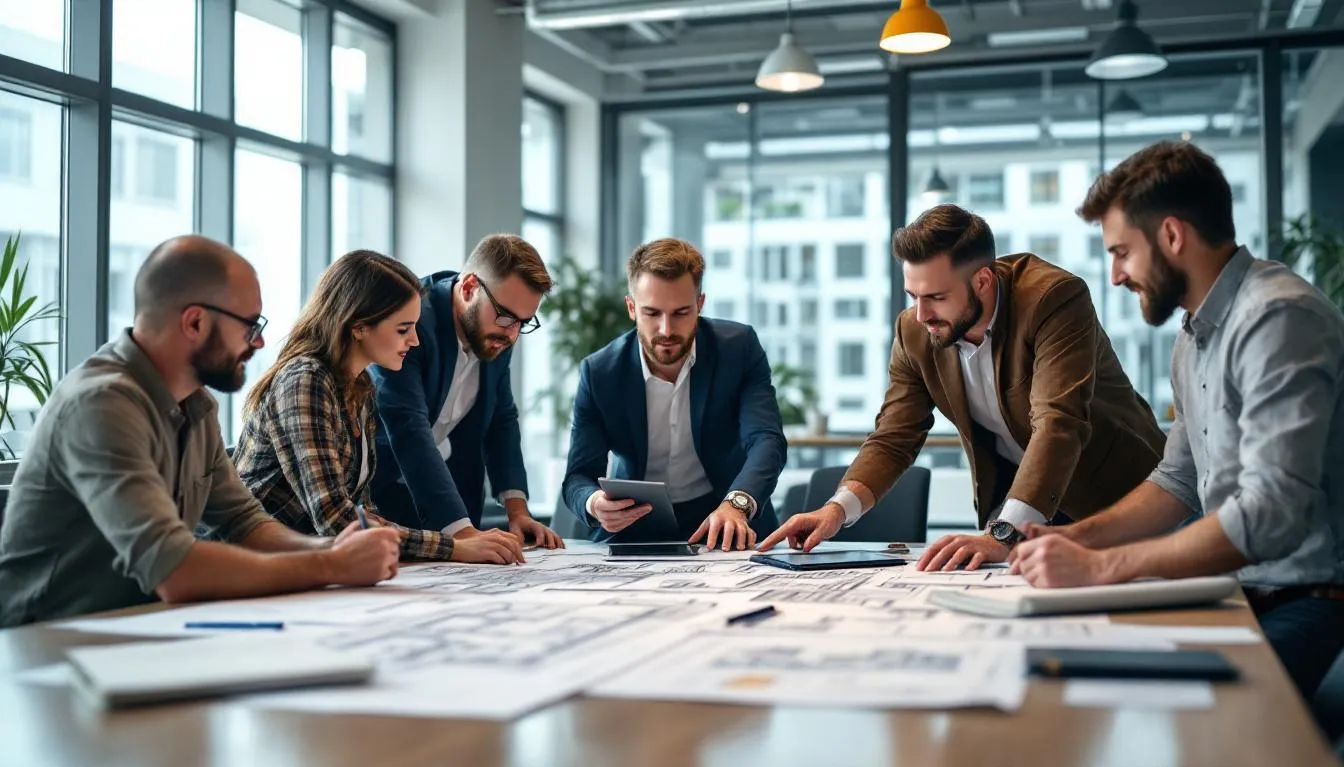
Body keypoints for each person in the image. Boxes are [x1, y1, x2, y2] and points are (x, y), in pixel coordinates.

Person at [1010, 140, 1344, 702]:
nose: (1115, 276)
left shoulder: (1277, 318)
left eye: (1121, 252)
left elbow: (1269, 514)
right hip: (1244, 590)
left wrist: (1101, 568)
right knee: (1067, 668)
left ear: (1171, 235)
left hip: (1311, 600)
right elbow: (1178, 480)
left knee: (1171, 708)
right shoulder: (1194, 335)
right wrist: (1071, 538)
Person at [0, 236, 401, 628]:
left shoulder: (195, 403)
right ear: (195, 321)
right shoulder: (101, 404)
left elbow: (245, 522)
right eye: (249, 325)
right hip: (46, 641)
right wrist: (330, 564)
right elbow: (173, 569)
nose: (259, 341)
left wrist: (334, 548)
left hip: (140, 629)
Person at [759, 204, 1165, 565]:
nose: (921, 314)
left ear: (984, 281)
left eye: (935, 296)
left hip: (1124, 498)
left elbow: (1059, 423)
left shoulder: (1052, 298)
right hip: (1025, 504)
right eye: (912, 295)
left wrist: (1003, 533)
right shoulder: (915, 330)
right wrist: (835, 510)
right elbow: (894, 435)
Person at [233, 250, 526, 565]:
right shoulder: (305, 381)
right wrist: (453, 546)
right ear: (358, 327)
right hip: (254, 570)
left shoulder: (358, 387)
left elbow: (363, 513)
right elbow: (337, 519)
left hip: (308, 568)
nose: (415, 341)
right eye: (403, 329)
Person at [562, 238, 787, 549]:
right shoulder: (600, 373)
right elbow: (578, 477)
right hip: (634, 525)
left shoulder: (739, 349)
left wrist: (737, 504)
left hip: (727, 520)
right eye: (652, 313)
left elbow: (766, 439)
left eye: (681, 313)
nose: (666, 330)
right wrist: (594, 503)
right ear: (631, 308)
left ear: (700, 304)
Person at [369, 234, 562, 550]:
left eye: (523, 323)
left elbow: (502, 418)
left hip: (453, 504)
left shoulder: (496, 331)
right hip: (382, 498)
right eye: (507, 317)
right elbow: (408, 428)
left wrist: (517, 510)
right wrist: (462, 534)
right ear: (470, 287)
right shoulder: (412, 320)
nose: (512, 334)